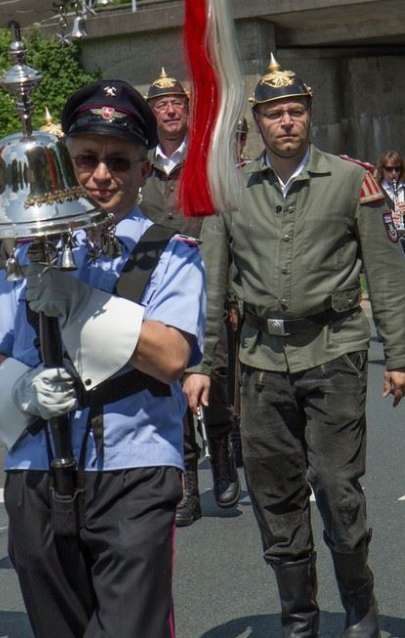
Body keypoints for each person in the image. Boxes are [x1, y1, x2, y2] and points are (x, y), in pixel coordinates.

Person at [0, 79, 205, 637]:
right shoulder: (27, 250)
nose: (101, 175)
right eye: (87, 159)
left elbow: (170, 357)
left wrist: (82, 302)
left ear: (144, 171)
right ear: (66, 167)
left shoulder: (171, 253)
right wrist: (19, 388)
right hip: (37, 465)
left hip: (133, 464)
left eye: (119, 162)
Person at [187, 56, 405, 637]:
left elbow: (386, 272)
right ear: (259, 123)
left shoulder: (350, 180)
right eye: (274, 114)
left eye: (295, 111)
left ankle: (359, 603)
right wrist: (206, 363)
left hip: (334, 352)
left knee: (337, 485)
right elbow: (213, 283)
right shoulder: (231, 187)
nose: (286, 122)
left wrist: (401, 356)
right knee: (273, 489)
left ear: (309, 115)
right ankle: (298, 615)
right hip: (260, 363)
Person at [139, 67, 240, 526]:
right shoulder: (140, 164)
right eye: (161, 105)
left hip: (209, 283)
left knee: (213, 376)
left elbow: (232, 227)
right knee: (168, 380)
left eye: (177, 102)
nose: (171, 110)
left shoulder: (207, 160)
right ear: (152, 114)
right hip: (157, 291)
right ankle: (186, 483)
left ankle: (219, 448)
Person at [374, 149, 405, 320]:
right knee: (388, 293)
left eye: (397, 169)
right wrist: (388, 219)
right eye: (389, 169)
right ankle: (390, 327)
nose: (393, 173)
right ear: (382, 169)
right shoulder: (374, 189)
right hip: (385, 246)